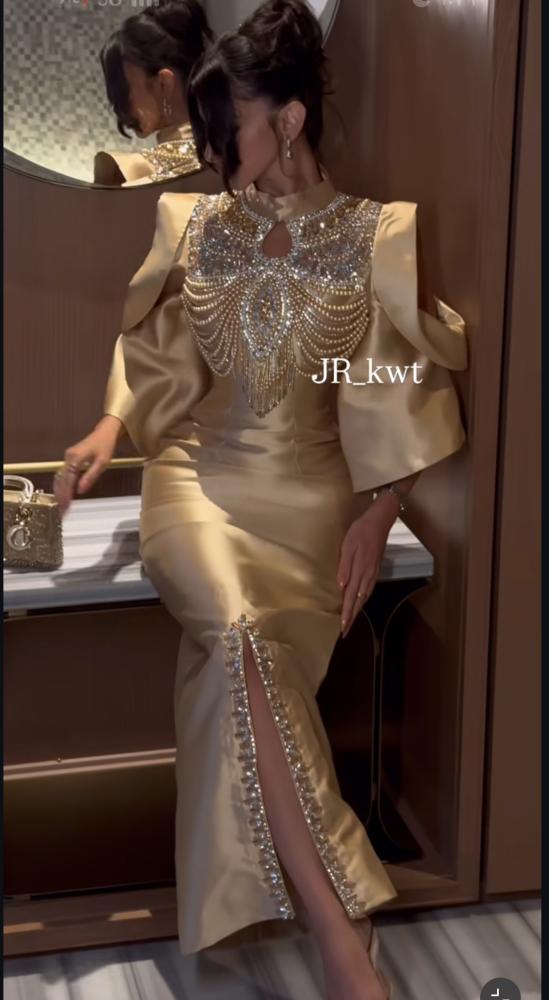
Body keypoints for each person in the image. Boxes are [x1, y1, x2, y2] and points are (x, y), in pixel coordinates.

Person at [55, 2, 468, 997]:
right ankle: (341, 933)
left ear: (287, 120)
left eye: (226, 128)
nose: (209, 153)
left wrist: (380, 508)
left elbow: (398, 384)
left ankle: (328, 922)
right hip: (195, 480)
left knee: (243, 664)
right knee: (239, 633)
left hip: (311, 501)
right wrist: (108, 428)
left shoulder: (373, 236)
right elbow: (156, 357)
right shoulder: (197, 225)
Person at [93, 0, 213, 187]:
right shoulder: (233, 158)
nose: (117, 105)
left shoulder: (129, 174)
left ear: (164, 84)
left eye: (123, 90)